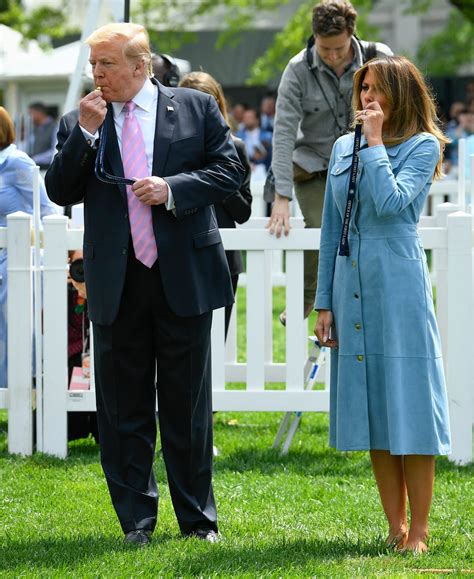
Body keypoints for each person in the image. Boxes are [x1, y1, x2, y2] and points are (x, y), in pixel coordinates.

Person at [45, 22, 243, 546]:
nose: (97, 75)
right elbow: (60, 188)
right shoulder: (80, 119)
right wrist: (86, 135)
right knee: (121, 410)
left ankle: (198, 522)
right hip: (116, 282)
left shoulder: (195, 109)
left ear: (140, 66)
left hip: (183, 279)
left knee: (188, 410)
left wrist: (173, 189)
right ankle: (137, 521)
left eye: (105, 64)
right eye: (93, 66)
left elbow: (230, 172)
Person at [315, 55, 451, 554]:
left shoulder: (422, 146)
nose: (367, 99)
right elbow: (333, 229)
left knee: (409, 405)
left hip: (398, 286)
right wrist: (323, 301)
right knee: (374, 406)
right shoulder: (341, 147)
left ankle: (419, 529)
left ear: (401, 94)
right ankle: (394, 526)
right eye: (363, 90)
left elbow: (392, 204)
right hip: (350, 285)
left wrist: (373, 145)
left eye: (377, 90)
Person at [267, 0, 392, 325]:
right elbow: (283, 134)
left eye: (339, 48)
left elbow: (404, 109)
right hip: (315, 166)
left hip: (368, 159)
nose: (334, 56)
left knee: (368, 230)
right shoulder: (297, 69)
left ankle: (364, 297)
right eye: (325, 49)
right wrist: (282, 196)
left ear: (352, 34)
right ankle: (309, 297)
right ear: (314, 37)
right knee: (320, 230)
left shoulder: (379, 58)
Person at [178, 71, 252, 337]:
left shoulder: (236, 147)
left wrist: (218, 176)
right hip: (179, 257)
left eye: (206, 104)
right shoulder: (171, 149)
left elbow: (243, 212)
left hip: (223, 258)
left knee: (215, 343)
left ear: (217, 104)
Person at [0, 107, 57, 389]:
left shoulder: (16, 162)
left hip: (18, 261)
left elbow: (46, 210)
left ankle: (26, 393)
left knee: (18, 331)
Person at [27, 102, 58, 170]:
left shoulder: (55, 127)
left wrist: (34, 159)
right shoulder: (34, 128)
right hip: (36, 167)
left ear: (39, 113)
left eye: (31, 113)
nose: (29, 117)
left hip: (48, 169)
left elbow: (55, 151)